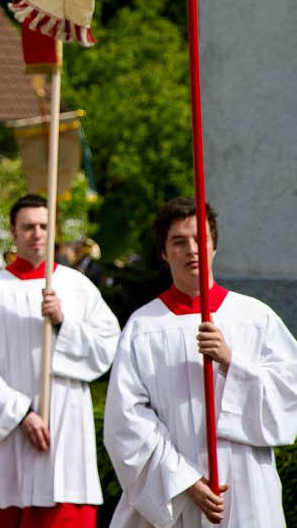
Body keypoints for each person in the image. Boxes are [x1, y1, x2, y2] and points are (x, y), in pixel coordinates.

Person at [104, 198, 297, 527]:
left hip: (246, 486)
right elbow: (125, 419)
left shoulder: (255, 317)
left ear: (214, 246)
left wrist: (231, 363)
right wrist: (182, 480)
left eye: (200, 239)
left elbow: (289, 394)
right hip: (176, 492)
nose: (192, 249)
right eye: (179, 242)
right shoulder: (143, 326)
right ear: (164, 253)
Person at [0, 193, 120, 528]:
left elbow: (106, 348)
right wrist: (21, 414)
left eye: (44, 226)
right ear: (13, 232)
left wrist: (63, 322)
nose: (37, 233)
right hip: (11, 439)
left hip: (65, 433)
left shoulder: (77, 287)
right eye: (28, 226)